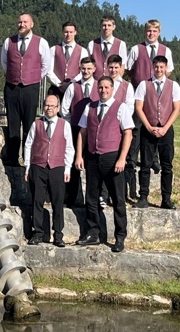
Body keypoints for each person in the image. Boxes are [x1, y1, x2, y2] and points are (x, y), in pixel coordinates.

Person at [75, 76, 133, 253]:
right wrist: (79, 155)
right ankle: (93, 233)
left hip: (112, 157)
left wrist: (122, 158)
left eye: (107, 87)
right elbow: (82, 133)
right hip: (92, 157)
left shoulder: (120, 107)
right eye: (100, 87)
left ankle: (120, 236)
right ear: (97, 89)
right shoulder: (90, 107)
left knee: (117, 199)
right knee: (91, 198)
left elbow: (128, 134)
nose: (103, 90)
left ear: (112, 88)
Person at [1, 13, 52, 165]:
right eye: (20, 22)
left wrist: (33, 78)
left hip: (31, 88)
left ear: (31, 24)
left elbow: (46, 65)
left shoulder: (41, 42)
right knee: (13, 123)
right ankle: (12, 158)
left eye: (25, 22)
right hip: (12, 87)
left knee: (29, 124)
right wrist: (14, 75)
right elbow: (5, 63)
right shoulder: (8, 41)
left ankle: (28, 158)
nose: (22, 24)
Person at [23, 95, 74, 247]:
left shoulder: (64, 125)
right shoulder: (36, 124)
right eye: (47, 105)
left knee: (57, 202)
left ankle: (58, 234)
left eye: (52, 106)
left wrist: (68, 168)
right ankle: (38, 233)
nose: (49, 108)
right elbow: (28, 145)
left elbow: (69, 147)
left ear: (58, 108)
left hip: (57, 167)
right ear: (43, 106)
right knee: (37, 200)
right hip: (38, 166)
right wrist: (27, 166)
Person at [133, 56, 180, 209]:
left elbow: (176, 109)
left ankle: (166, 199)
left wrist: (165, 128)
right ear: (152, 67)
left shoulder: (173, 85)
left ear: (166, 68)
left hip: (166, 130)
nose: (159, 70)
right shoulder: (144, 84)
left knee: (167, 165)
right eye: (156, 67)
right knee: (146, 165)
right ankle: (143, 197)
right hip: (148, 130)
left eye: (162, 67)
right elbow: (139, 108)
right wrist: (148, 127)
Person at [60, 57, 98, 208]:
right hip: (76, 130)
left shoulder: (99, 86)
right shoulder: (73, 87)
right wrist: (72, 124)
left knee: (92, 167)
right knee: (74, 164)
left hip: (94, 131)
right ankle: (70, 199)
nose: (86, 71)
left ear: (94, 69)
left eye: (89, 68)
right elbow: (64, 110)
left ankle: (91, 200)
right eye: (83, 68)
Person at [107, 55, 137, 203]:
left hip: (121, 126)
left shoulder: (127, 86)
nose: (113, 70)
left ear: (121, 68)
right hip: (106, 130)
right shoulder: (102, 83)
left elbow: (130, 106)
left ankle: (121, 195)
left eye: (116, 67)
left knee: (122, 159)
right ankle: (104, 195)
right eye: (111, 67)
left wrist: (119, 119)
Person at [126, 19, 174, 89]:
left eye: (154, 31)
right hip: (138, 90)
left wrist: (160, 79)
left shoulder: (166, 50)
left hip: (159, 89)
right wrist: (137, 77)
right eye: (149, 31)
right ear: (145, 32)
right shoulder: (135, 49)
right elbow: (128, 69)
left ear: (159, 33)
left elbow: (169, 70)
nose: (151, 33)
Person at [46, 22, 88, 99]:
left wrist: (70, 84)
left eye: (71, 32)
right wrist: (59, 84)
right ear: (62, 32)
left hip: (75, 89)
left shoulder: (83, 51)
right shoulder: (53, 49)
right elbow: (48, 70)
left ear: (75, 32)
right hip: (55, 89)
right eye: (66, 32)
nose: (68, 35)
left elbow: (83, 71)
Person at [87, 16, 127, 80]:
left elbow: (122, 67)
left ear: (114, 27)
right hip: (95, 84)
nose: (106, 28)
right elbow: (87, 65)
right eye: (104, 25)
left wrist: (115, 83)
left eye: (109, 25)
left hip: (113, 84)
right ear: (100, 27)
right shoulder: (92, 44)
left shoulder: (121, 44)